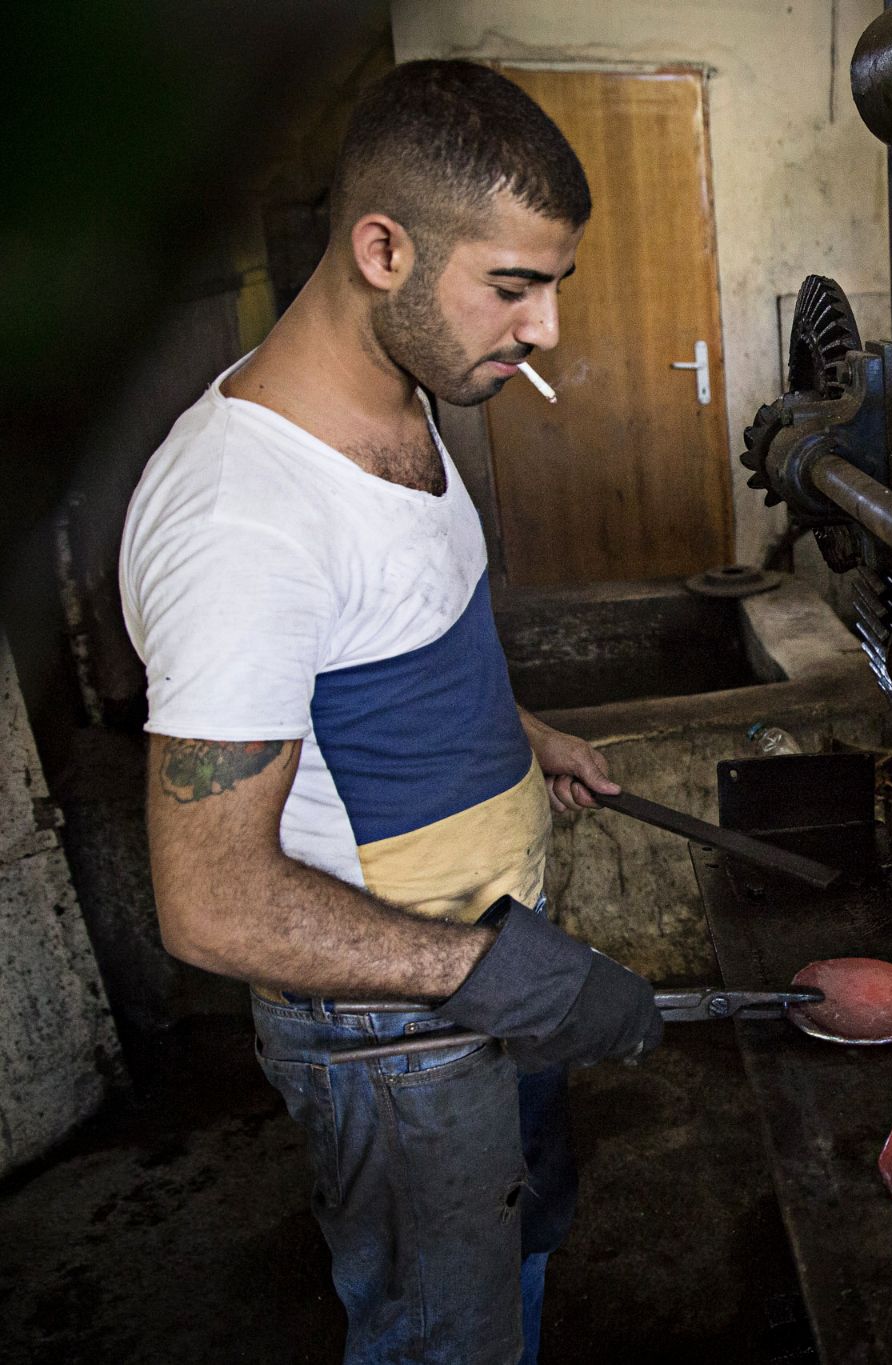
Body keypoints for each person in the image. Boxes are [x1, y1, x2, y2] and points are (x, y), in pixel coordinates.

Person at [118, 60, 658, 1365]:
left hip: (483, 974)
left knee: (514, 1269)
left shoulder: (407, 392)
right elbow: (210, 900)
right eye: (514, 287)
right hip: (395, 1037)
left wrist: (523, 739)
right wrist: (485, 970)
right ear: (383, 248)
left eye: (551, 290)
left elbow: (402, 642)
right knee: (440, 1338)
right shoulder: (242, 514)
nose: (542, 332)